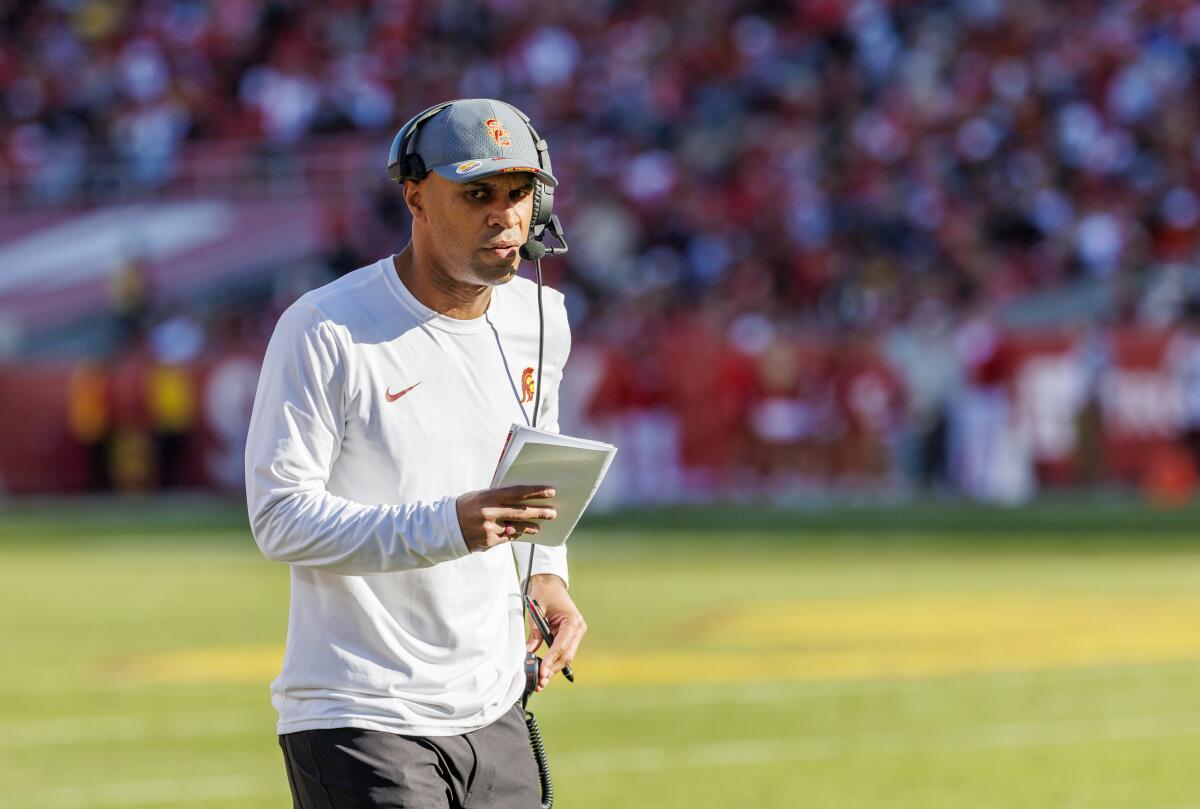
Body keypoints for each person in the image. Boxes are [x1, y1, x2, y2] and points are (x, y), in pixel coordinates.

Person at [244, 98, 586, 809]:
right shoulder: (323, 326)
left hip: (497, 706)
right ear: (415, 197)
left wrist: (546, 575)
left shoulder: (541, 316)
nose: (505, 215)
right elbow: (278, 515)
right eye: (476, 194)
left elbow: (535, 469)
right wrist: (446, 524)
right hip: (358, 712)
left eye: (520, 193)